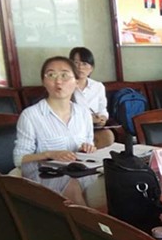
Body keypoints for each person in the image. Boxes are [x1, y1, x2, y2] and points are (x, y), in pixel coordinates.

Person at [12, 56, 97, 205]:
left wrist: (87, 148)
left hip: (79, 171)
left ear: (76, 82)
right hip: (43, 175)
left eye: (64, 75)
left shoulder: (83, 113)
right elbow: (19, 158)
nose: (58, 81)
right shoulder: (31, 115)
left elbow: (89, 143)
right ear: (44, 81)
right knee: (72, 187)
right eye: (51, 75)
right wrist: (49, 154)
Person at [69, 47, 113, 149]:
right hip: (72, 129)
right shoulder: (65, 86)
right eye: (76, 63)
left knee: (108, 136)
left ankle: (88, 152)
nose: (80, 67)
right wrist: (89, 119)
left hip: (93, 129)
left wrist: (102, 118)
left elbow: (102, 109)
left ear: (91, 68)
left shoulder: (98, 87)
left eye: (84, 63)